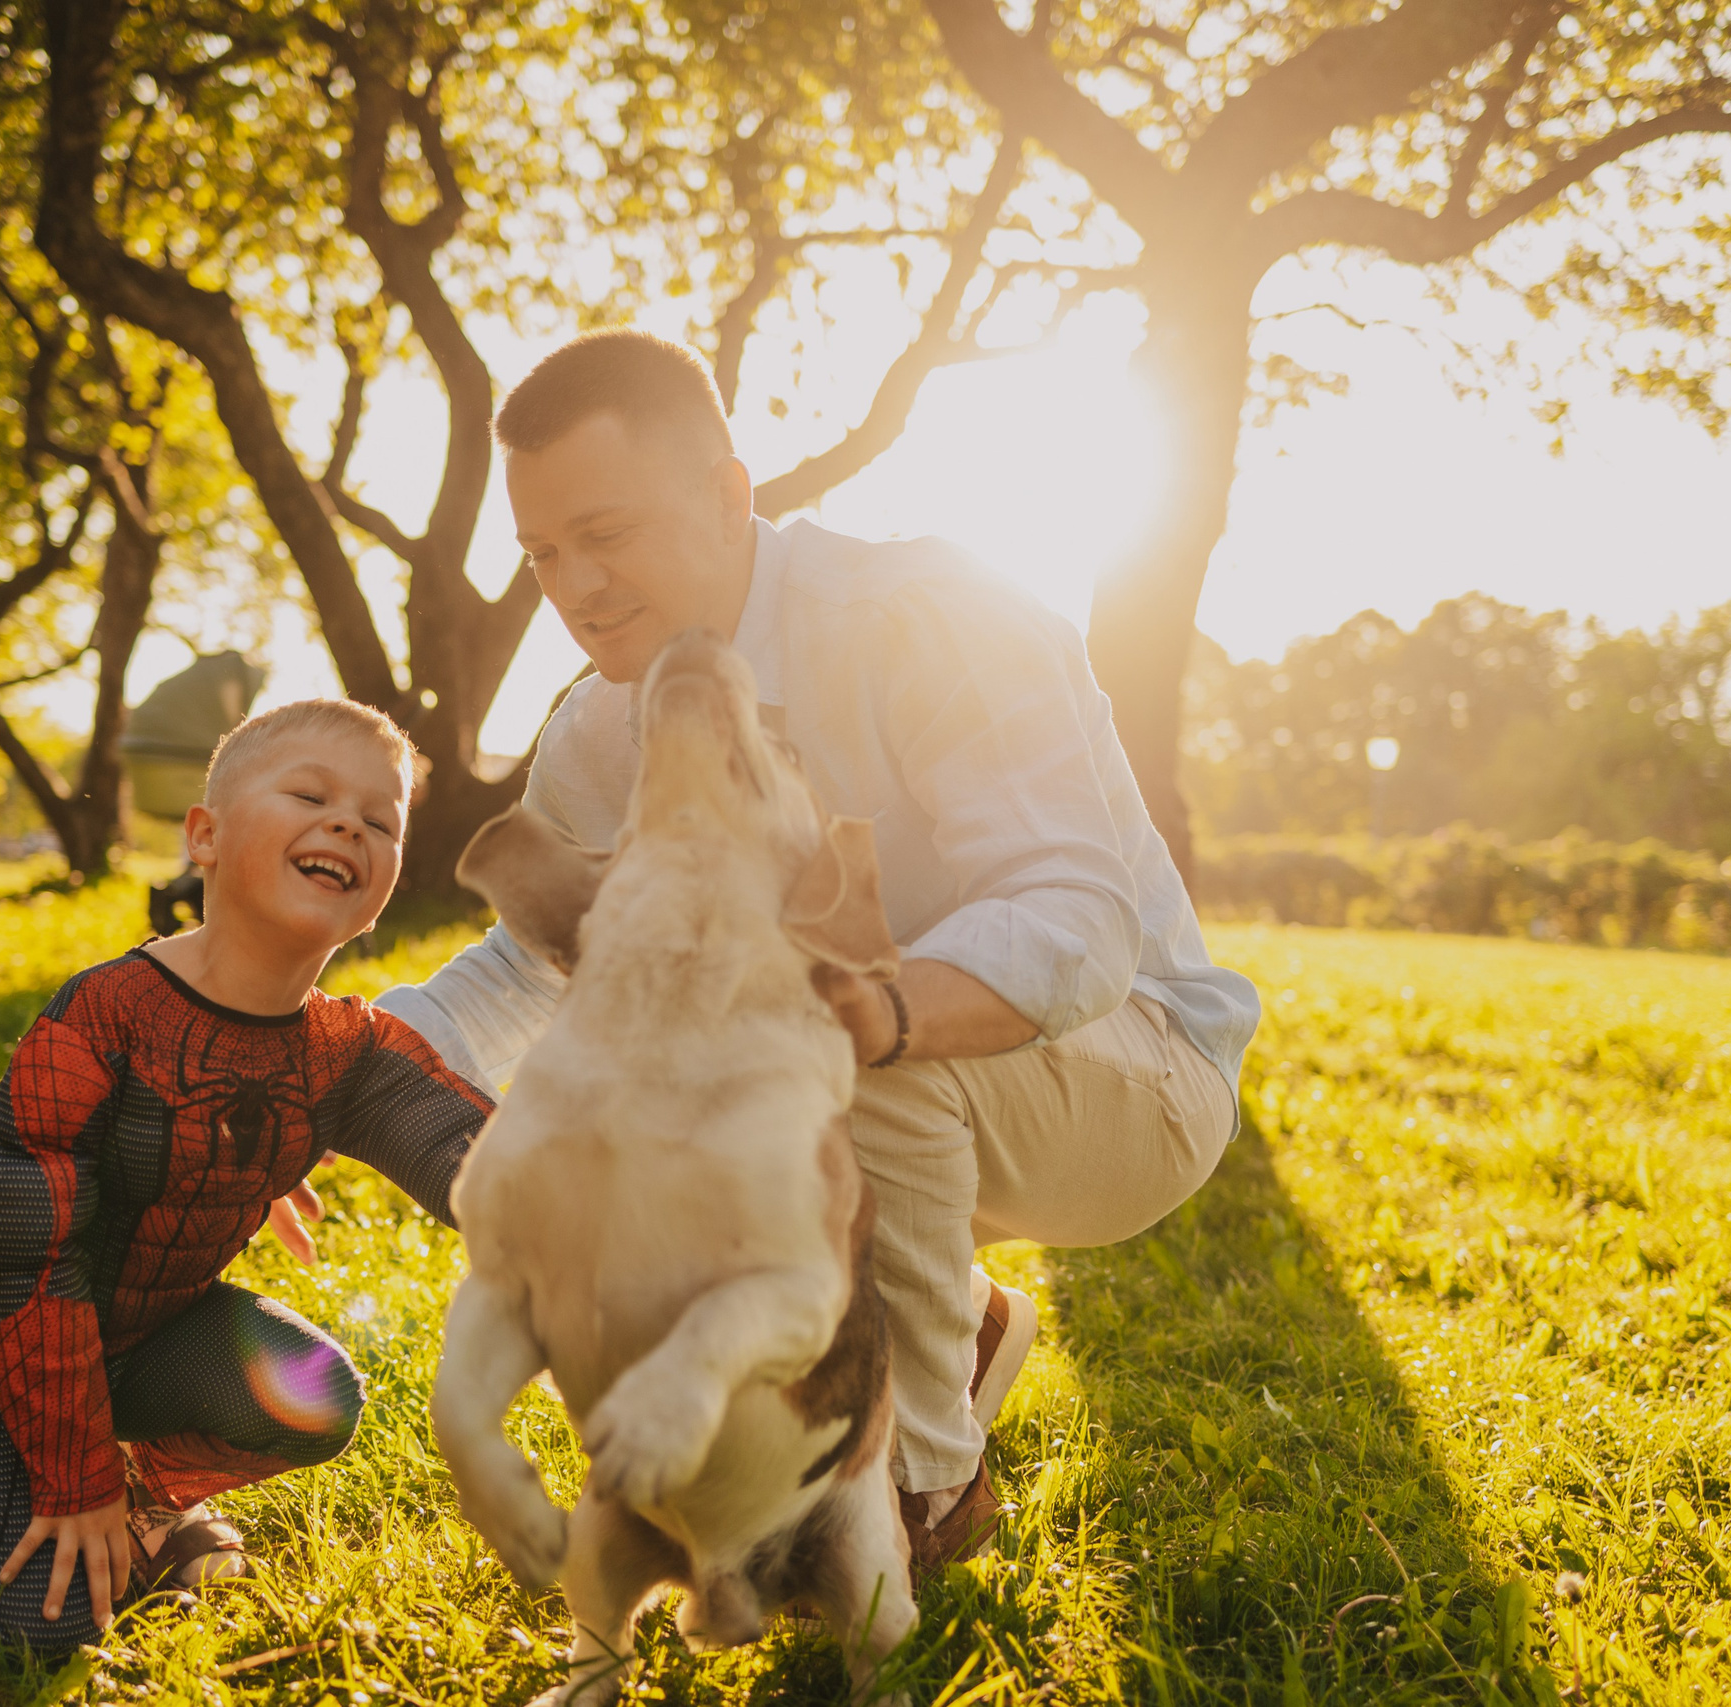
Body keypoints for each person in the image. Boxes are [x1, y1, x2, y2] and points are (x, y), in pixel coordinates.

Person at [377, 330, 1261, 1569]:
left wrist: (859, 1011)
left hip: (1138, 1070)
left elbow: (1076, 919)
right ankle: (959, 1327)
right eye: (542, 553)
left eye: (606, 533)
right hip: (888, 1093)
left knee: (810, 1046)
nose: (575, 587)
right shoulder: (596, 734)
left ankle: (927, 1490)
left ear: (726, 496)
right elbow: (543, 963)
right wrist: (337, 1063)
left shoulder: (928, 615)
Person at [0, 700, 493, 1649]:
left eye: (380, 819)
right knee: (29, 1630)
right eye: (311, 796)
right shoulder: (103, 1017)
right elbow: (28, 1256)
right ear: (204, 836)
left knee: (315, 1392)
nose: (348, 825)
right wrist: (72, 1479)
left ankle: (145, 1509)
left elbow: (479, 1157)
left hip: (152, 1331)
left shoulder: (346, 1049)